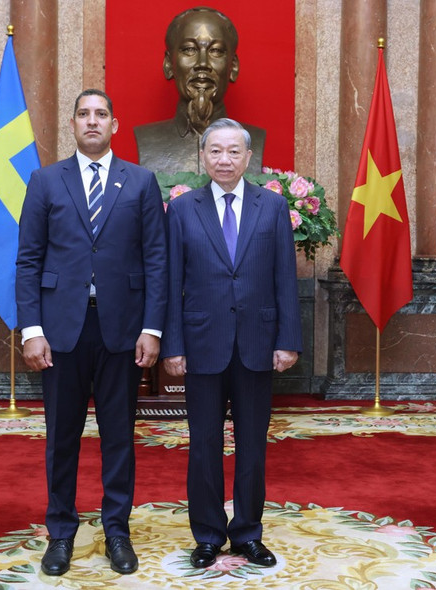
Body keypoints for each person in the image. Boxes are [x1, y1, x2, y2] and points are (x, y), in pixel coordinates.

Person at [16, 89, 167, 576]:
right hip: (60, 331)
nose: (92, 121)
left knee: (119, 435)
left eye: (101, 114)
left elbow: (156, 261)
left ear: (115, 125)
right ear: (74, 125)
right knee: (62, 436)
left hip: (122, 329)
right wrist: (31, 330)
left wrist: (152, 328)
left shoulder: (142, 182)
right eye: (84, 114)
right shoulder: (44, 181)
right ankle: (61, 532)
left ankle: (117, 532)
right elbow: (28, 260)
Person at [161, 118, 302, 569]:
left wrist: (288, 340)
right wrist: (173, 346)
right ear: (202, 157)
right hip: (202, 344)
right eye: (215, 151)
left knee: (252, 445)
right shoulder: (183, 210)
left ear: (247, 157)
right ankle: (206, 534)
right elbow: (171, 283)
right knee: (203, 443)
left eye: (233, 151)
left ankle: (246, 533)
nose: (224, 159)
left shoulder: (272, 207)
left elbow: (285, 278)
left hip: (258, 344)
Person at [133, 7, 265, 175]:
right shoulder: (148, 140)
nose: (203, 63)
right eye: (189, 49)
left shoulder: (255, 139)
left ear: (233, 67)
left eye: (216, 51)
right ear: (168, 64)